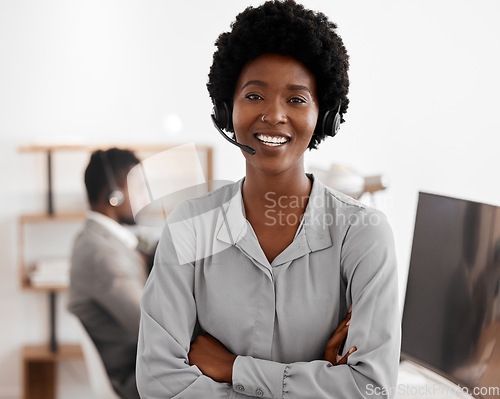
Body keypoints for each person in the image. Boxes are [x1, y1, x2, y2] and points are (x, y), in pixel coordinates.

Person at [136, 1, 400, 398]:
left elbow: (371, 388)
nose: (274, 114)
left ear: (324, 116)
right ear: (227, 109)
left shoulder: (362, 234)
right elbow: (159, 383)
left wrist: (233, 369)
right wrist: (316, 381)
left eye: (296, 99)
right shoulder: (190, 225)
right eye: (255, 95)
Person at [69, 148, 147, 399]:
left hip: (137, 365)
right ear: (114, 195)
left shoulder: (96, 238)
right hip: (137, 378)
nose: (145, 199)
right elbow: (150, 328)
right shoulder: (101, 253)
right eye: (139, 188)